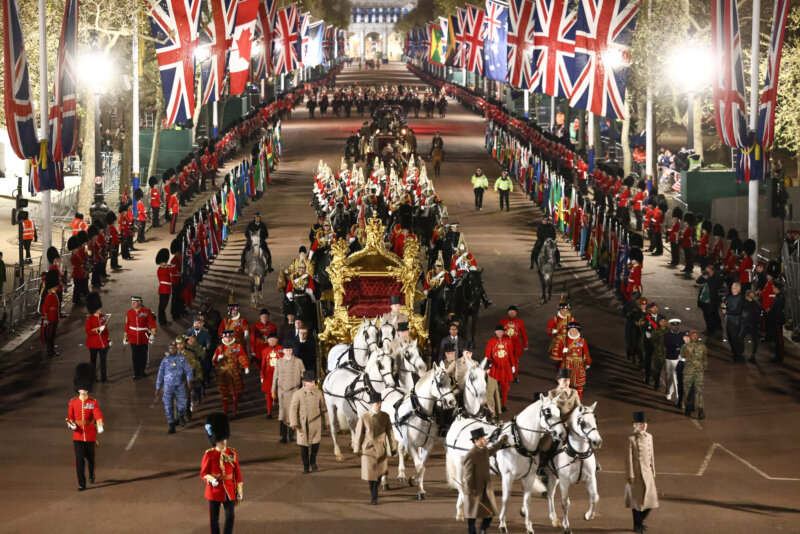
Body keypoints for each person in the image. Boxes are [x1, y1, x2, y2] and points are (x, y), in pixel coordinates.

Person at [201, 413, 242, 534]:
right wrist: (211, 479)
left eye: (224, 439)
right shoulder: (209, 454)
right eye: (220, 440)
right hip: (214, 491)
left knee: (230, 516)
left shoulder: (232, 453)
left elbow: (237, 473)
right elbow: (204, 473)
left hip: (229, 490)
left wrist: (239, 491)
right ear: (215, 441)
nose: (223, 441)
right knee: (214, 519)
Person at [353, 391, 397, 505]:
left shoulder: (385, 416)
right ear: (371, 404)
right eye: (377, 403)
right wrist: (356, 448)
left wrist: (393, 447)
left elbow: (390, 433)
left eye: (380, 402)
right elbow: (358, 434)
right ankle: (374, 496)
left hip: (381, 448)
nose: (379, 405)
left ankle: (374, 493)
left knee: (379, 473)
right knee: (370, 474)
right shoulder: (364, 417)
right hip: (368, 449)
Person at [462, 428, 508, 534]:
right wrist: (469, 490)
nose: (485, 441)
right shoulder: (471, 454)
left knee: (490, 512)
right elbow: (468, 474)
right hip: (475, 489)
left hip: (486, 488)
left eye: (484, 438)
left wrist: (501, 441)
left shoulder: (484, 450)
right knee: (472, 514)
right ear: (476, 441)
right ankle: (472, 531)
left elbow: (492, 449)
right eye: (482, 439)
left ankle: (483, 529)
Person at [67, 363, 105, 491]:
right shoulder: (73, 402)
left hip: (89, 435)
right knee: (79, 461)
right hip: (77, 435)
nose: (83, 390)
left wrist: (99, 424)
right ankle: (81, 483)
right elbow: (70, 417)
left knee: (90, 459)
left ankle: (91, 473)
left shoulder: (92, 402)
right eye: (81, 388)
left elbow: (98, 414)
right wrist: (71, 424)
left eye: (85, 388)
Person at [625, 411, 658, 533]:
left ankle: (640, 521)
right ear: (635, 425)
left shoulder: (649, 437)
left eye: (644, 423)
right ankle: (637, 525)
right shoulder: (631, 439)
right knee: (637, 502)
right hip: (637, 473)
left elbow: (651, 456)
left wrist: (653, 471)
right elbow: (628, 458)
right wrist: (630, 475)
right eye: (641, 423)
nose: (643, 425)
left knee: (651, 500)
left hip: (648, 473)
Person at [289, 370, 328, 474]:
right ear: (304, 382)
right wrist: (293, 422)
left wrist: (327, 422)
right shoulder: (298, 394)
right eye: (310, 382)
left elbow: (323, 408)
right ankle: (306, 466)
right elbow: (293, 409)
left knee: (316, 444)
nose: (312, 384)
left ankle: (313, 461)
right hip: (303, 424)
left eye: (313, 382)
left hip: (316, 423)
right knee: (304, 447)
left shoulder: (319, 393)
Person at [155, 339, 194, 433]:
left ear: (177, 349)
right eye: (170, 348)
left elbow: (189, 370)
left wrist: (189, 380)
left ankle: (181, 416)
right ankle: (172, 425)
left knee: (183, 405)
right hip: (168, 387)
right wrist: (158, 387)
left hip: (179, 386)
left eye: (174, 348)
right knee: (168, 406)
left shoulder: (182, 359)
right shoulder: (165, 360)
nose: (172, 349)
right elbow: (160, 374)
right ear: (169, 349)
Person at [212, 330, 250, 416]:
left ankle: (235, 407)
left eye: (229, 338)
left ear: (232, 337)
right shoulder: (220, 348)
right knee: (224, 393)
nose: (228, 339)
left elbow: (242, 356)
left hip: (235, 371)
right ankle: (225, 411)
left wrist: (246, 366)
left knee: (236, 392)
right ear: (223, 338)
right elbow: (214, 362)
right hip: (224, 373)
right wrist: (218, 358)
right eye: (226, 338)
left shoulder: (238, 347)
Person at [273, 345, 304, 443]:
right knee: (283, 414)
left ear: (292, 350)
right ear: (283, 351)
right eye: (286, 350)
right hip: (282, 392)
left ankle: (291, 435)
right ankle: (283, 436)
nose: (288, 352)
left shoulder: (298, 361)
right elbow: (275, 378)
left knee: (293, 413)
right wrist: (273, 390)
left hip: (294, 391)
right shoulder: (279, 362)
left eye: (290, 350)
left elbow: (304, 375)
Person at [556, 321, 592, 399]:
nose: (573, 332)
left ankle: (577, 402)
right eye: (571, 330)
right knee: (564, 384)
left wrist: (588, 362)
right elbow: (558, 355)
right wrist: (563, 351)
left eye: (575, 330)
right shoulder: (564, 340)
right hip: (567, 364)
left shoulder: (582, 341)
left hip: (578, 365)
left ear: (578, 331)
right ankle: (565, 400)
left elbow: (586, 354)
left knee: (579, 386)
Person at [124, 296, 156, 380]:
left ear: (140, 302)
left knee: (143, 355)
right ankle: (136, 373)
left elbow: (152, 323)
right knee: (135, 356)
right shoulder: (129, 312)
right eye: (132, 302)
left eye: (135, 302)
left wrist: (152, 334)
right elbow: (127, 324)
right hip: (133, 336)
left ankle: (142, 371)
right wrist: (125, 337)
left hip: (143, 336)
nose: (133, 304)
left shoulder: (146, 311)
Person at [485, 325, 513, 411]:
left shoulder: (508, 341)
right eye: (497, 332)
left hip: (505, 368)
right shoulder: (490, 342)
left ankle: (503, 405)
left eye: (501, 331)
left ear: (504, 332)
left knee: (505, 387)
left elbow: (511, 354)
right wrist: (488, 365)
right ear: (495, 332)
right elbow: (487, 355)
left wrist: (513, 366)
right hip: (495, 368)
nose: (499, 333)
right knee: (492, 387)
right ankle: (490, 404)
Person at [681, 330, 707, 419]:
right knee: (687, 392)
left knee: (699, 392)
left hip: (699, 372)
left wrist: (704, 368)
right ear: (690, 337)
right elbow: (684, 355)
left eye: (696, 335)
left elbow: (705, 358)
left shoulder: (702, 346)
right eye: (693, 335)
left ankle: (700, 411)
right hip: (688, 372)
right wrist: (688, 345)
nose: (695, 337)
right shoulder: (685, 346)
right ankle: (687, 408)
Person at [84, 293, 110, 382]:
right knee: (93, 362)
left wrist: (108, 340)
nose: (100, 309)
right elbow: (88, 331)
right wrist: (97, 330)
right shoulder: (89, 319)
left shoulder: (102, 317)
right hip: (93, 344)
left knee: (103, 362)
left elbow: (106, 330)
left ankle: (104, 378)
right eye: (98, 308)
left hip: (103, 343)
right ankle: (93, 378)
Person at [500, 305, 528, 383]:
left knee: (515, 361)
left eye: (514, 312)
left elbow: (524, 334)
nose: (512, 313)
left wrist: (525, 344)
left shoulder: (520, 322)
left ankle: (515, 376)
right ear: (508, 313)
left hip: (516, 346)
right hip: (506, 345)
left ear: (516, 313)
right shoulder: (502, 322)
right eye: (510, 312)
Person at [696, 264, 724, 336]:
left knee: (712, 315)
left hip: (712, 300)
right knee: (707, 314)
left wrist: (707, 279)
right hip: (703, 299)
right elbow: (697, 281)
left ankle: (712, 330)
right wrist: (702, 276)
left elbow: (714, 286)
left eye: (708, 271)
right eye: (706, 271)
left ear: (712, 271)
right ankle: (712, 328)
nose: (707, 272)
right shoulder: (705, 276)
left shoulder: (717, 278)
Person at [259, 333, 282, 418]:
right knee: (268, 395)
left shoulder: (281, 349)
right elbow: (263, 365)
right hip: (269, 375)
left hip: (280, 375)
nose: (271, 341)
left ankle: (282, 411)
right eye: (269, 340)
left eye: (273, 339)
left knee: (281, 393)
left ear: (277, 340)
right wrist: (262, 375)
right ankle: (269, 412)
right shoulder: (265, 351)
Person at [722, 282, 745, 363]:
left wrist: (726, 311)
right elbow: (726, 306)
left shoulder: (740, 298)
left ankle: (739, 356)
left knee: (735, 340)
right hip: (729, 321)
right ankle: (735, 354)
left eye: (734, 288)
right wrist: (724, 306)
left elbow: (737, 311)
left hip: (735, 322)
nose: (732, 289)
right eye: (732, 288)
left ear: (738, 289)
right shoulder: (731, 297)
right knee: (730, 339)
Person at [547, 298, 573, 368]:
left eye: (566, 310)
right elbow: (548, 331)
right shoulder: (554, 320)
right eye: (562, 310)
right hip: (558, 342)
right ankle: (560, 373)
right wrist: (553, 331)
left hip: (569, 342)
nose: (564, 312)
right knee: (558, 362)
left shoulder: (572, 320)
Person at [764, 281, 786, 364]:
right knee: (776, 339)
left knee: (779, 340)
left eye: (774, 287)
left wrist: (769, 310)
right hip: (774, 320)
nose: (772, 289)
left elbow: (775, 308)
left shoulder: (780, 297)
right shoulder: (778, 296)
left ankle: (779, 357)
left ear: (777, 289)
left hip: (777, 320)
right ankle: (777, 356)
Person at [41, 270, 61, 357]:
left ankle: (51, 350)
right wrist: (45, 317)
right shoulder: (50, 295)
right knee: (50, 336)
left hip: (54, 316)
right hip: (51, 318)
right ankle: (50, 351)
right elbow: (44, 307)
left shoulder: (52, 293)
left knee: (52, 335)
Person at [649, 317, 669, 392]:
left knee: (668, 371)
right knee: (657, 370)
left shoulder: (669, 331)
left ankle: (668, 389)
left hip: (667, 354)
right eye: (661, 321)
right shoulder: (656, 331)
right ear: (659, 322)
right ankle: (656, 383)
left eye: (665, 321)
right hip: (658, 353)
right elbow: (653, 340)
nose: (663, 322)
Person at [155, 248, 172, 326]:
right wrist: (169, 266)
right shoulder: (161, 270)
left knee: (162, 307)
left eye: (165, 262)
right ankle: (163, 321)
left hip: (166, 290)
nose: (164, 263)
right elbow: (168, 271)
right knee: (162, 307)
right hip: (164, 290)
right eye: (163, 262)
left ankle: (162, 321)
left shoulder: (164, 268)